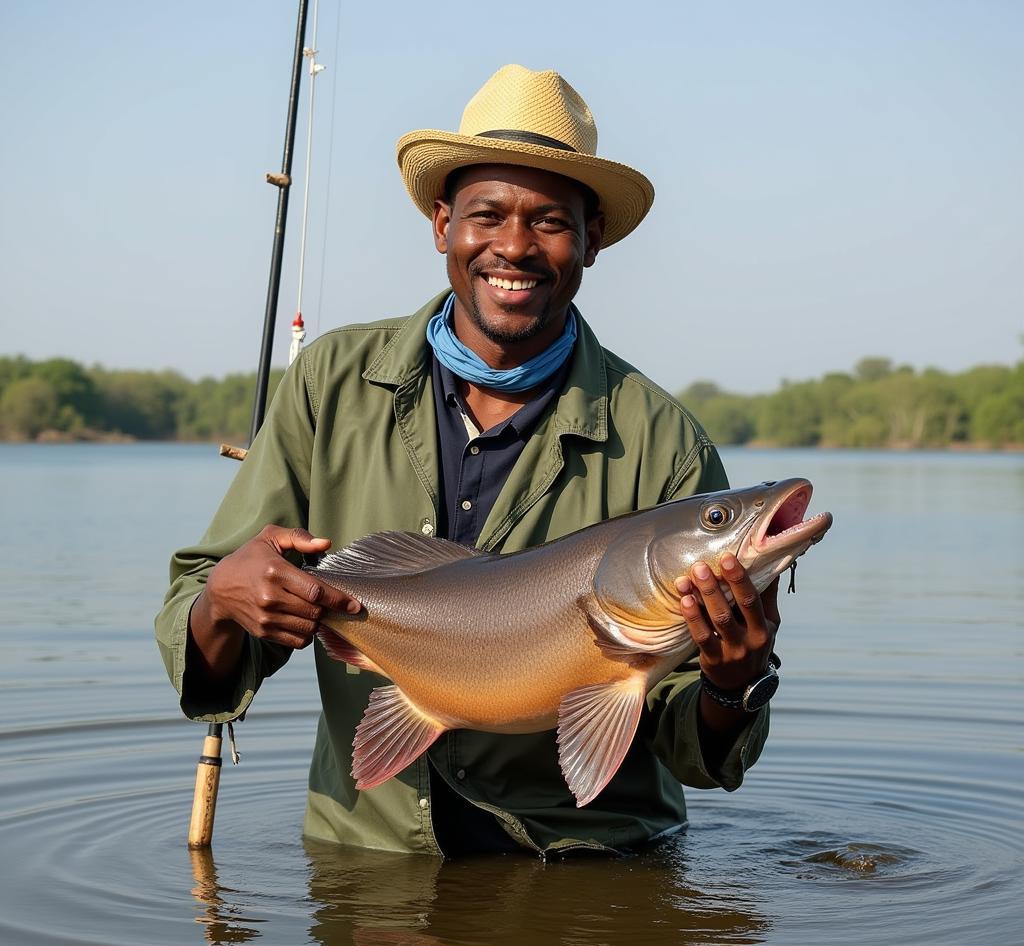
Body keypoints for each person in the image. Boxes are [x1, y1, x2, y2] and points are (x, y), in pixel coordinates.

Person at [156, 64, 781, 857]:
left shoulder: (665, 442)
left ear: (593, 238)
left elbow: (695, 749)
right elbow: (203, 638)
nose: (514, 247)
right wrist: (222, 600)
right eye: (487, 215)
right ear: (443, 223)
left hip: (588, 868)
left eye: (550, 221)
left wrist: (735, 683)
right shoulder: (330, 382)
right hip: (368, 861)